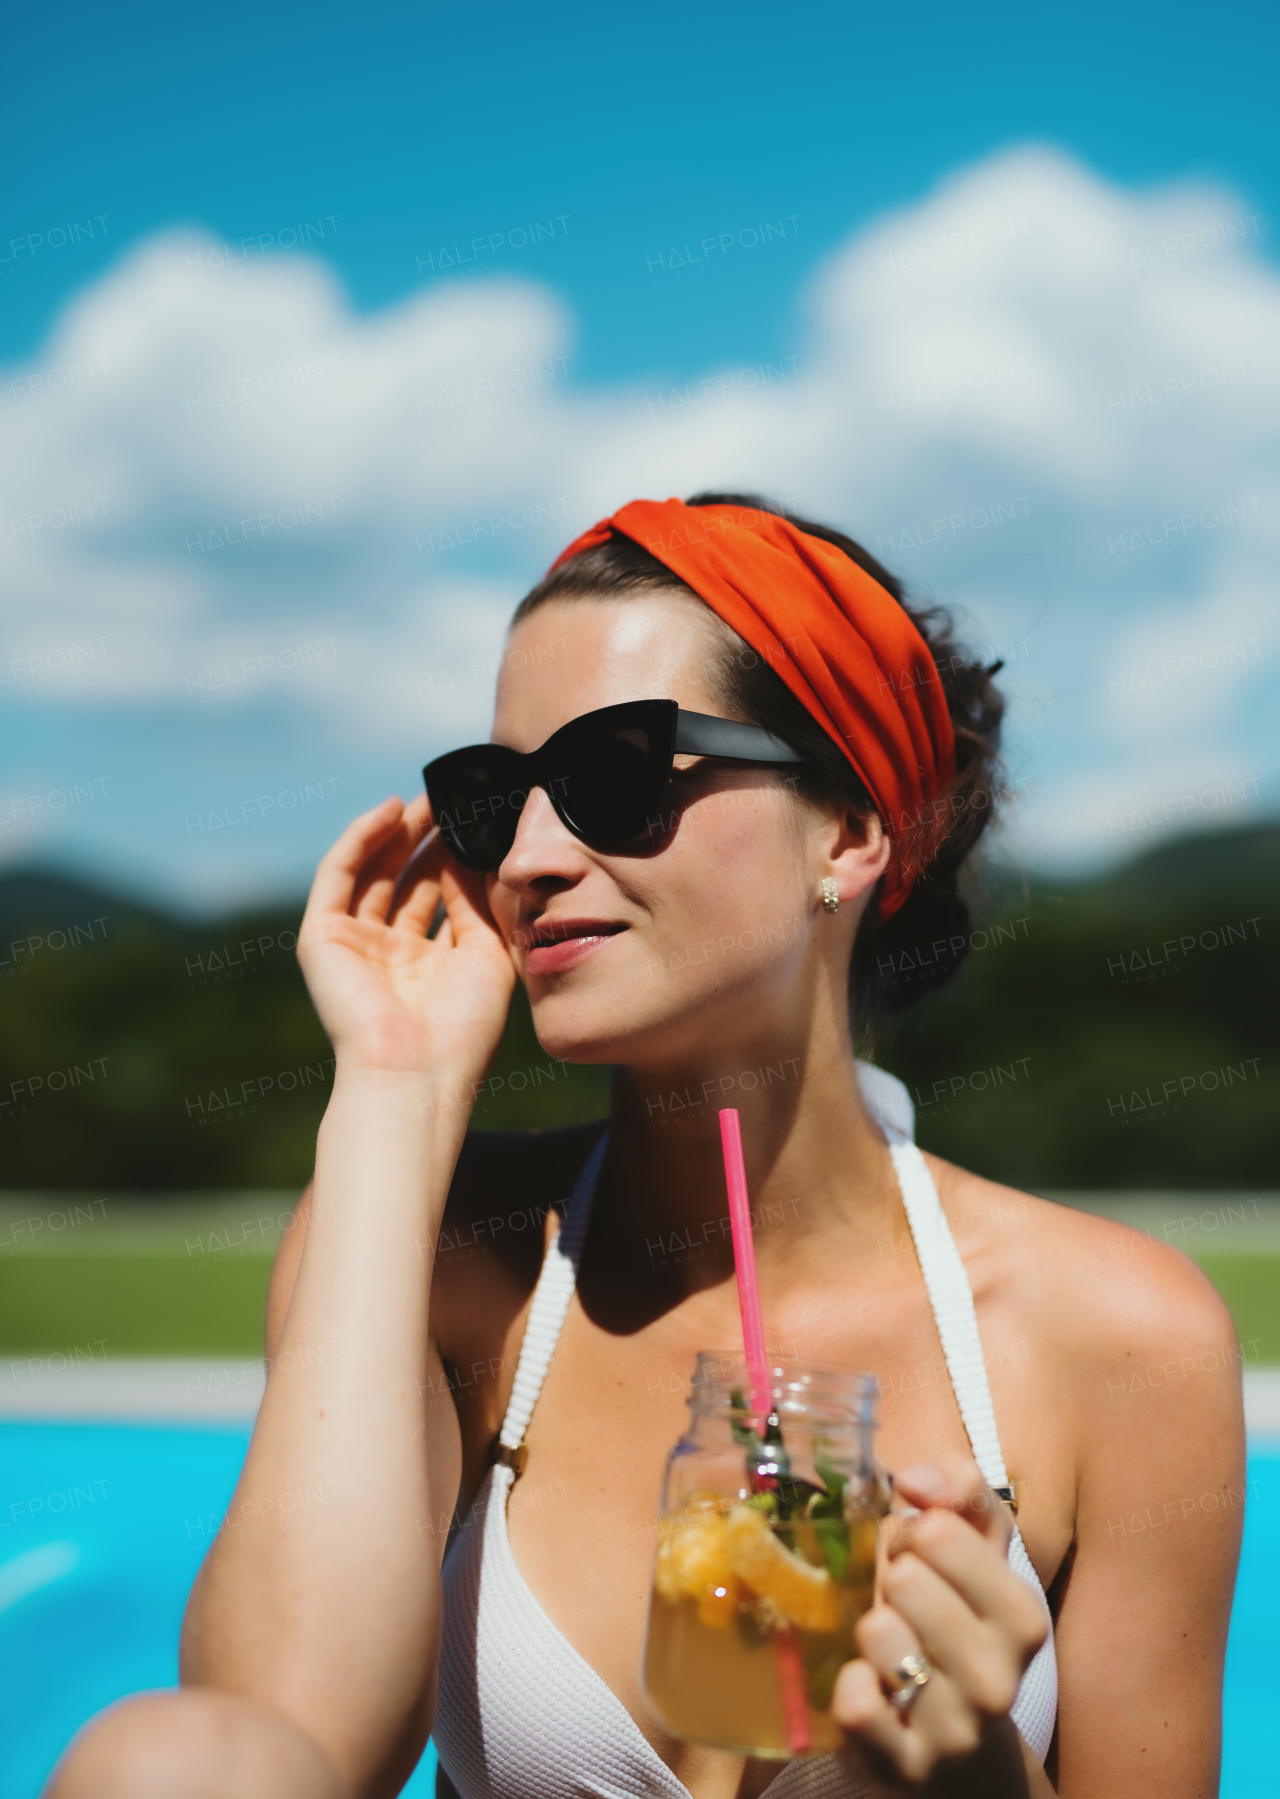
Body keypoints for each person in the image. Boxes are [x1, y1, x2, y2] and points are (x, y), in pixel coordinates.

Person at [47, 496, 1244, 1799]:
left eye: (616, 774)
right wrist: (392, 1089)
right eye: (499, 799)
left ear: (846, 831)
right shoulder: (449, 1257)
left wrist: (968, 1779)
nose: (534, 860)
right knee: (157, 1763)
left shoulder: (1120, 1339)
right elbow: (276, 1746)